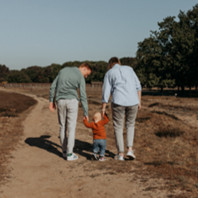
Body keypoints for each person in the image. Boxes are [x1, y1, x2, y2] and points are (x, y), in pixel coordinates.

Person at [49, 63, 91, 161]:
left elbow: (53, 86)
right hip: (72, 101)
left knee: (62, 126)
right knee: (71, 127)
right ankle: (69, 154)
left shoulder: (62, 71)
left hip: (60, 101)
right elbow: (83, 95)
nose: (86, 76)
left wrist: (51, 100)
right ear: (84, 68)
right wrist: (86, 112)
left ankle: (64, 152)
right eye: (87, 74)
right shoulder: (80, 76)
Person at [102, 57, 141, 161]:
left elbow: (106, 91)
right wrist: (139, 101)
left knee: (118, 127)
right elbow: (138, 86)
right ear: (119, 62)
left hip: (118, 101)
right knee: (130, 124)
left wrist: (103, 107)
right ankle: (130, 149)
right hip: (133, 100)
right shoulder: (129, 69)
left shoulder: (109, 73)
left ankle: (120, 154)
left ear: (110, 64)